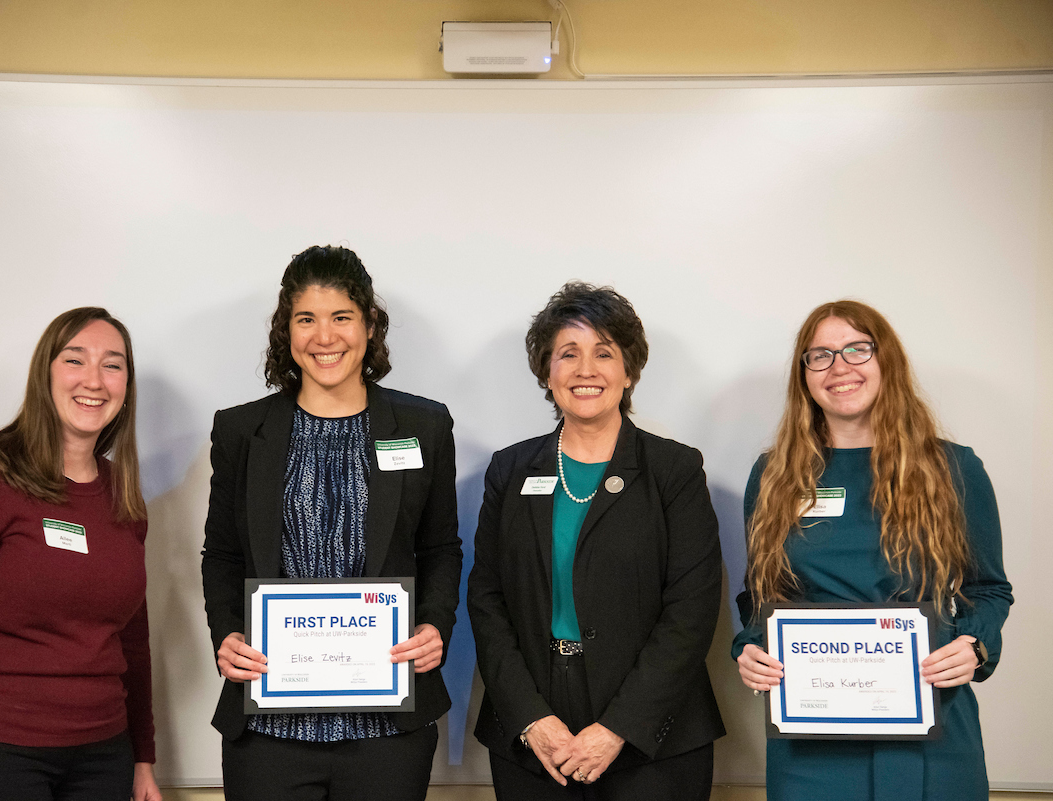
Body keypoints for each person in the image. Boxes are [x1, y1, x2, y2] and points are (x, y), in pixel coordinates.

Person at [201, 245, 462, 800]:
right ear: (286, 331)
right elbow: (221, 554)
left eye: (341, 317)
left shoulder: (424, 425)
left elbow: (441, 547)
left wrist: (435, 626)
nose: (325, 337)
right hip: (269, 727)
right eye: (307, 319)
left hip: (388, 727)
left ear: (369, 325)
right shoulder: (242, 431)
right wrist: (225, 634)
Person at [733, 300, 1013, 801]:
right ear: (804, 375)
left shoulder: (953, 468)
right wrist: (750, 648)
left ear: (887, 360)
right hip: (810, 740)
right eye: (820, 356)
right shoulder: (774, 475)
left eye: (857, 349)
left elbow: (988, 589)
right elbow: (760, 595)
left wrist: (975, 645)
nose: (839, 367)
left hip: (933, 726)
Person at [468, 281, 725, 800]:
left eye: (604, 353)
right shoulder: (510, 470)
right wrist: (532, 718)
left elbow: (691, 610)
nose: (586, 369)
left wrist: (618, 728)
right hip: (533, 731)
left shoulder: (674, 470)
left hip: (653, 735)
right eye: (568, 354)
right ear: (547, 371)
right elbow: (487, 600)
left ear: (628, 371)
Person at [0, 307, 160, 801]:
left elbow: (133, 641)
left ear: (126, 385)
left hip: (103, 754)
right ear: (44, 373)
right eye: (75, 360)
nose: (94, 380)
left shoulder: (123, 496)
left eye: (113, 364)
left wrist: (142, 757)